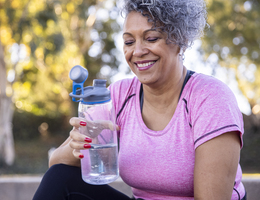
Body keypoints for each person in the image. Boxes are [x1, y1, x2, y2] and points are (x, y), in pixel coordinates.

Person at [33, 0, 247, 199]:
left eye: (151, 38)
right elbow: (56, 167)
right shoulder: (119, 95)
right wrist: (79, 144)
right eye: (128, 41)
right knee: (60, 178)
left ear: (180, 40)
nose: (137, 51)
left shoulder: (210, 98)